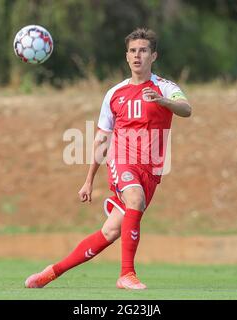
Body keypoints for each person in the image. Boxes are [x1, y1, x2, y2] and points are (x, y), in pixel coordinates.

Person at [25, 28, 191, 290]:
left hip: (152, 169)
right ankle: (127, 274)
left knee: (111, 232)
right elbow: (102, 139)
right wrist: (88, 180)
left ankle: (50, 273)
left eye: (143, 51)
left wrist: (163, 101)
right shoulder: (114, 94)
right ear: (127, 57)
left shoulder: (165, 88)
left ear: (153, 55)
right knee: (134, 198)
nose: (138, 55)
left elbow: (186, 108)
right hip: (122, 159)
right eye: (133, 51)